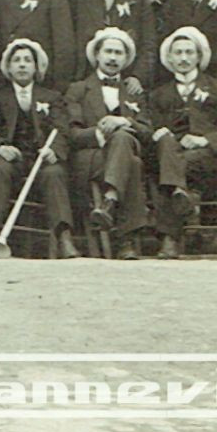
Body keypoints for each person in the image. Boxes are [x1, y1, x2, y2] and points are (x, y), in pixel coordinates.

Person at [0, 39, 77, 258]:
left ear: (36, 67)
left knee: (55, 173)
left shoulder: (52, 97)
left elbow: (62, 130)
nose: (22, 65)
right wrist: (0, 147)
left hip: (42, 160)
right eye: (16, 60)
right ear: (8, 68)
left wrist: (53, 151)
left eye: (28, 60)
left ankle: (64, 237)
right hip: (13, 160)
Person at [146, 26, 217, 259]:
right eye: (178, 53)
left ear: (199, 57)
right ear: (169, 58)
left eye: (189, 52)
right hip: (172, 154)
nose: (183, 58)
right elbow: (151, 130)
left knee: (163, 172)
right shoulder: (158, 95)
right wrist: (158, 134)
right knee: (165, 145)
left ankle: (170, 239)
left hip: (208, 160)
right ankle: (179, 191)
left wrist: (204, 140)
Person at [67, 27, 152, 260]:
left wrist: (124, 120)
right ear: (97, 55)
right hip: (92, 158)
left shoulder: (133, 92)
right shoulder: (78, 89)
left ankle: (110, 201)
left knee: (126, 143)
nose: (113, 58)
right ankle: (126, 242)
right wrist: (101, 132)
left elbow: (147, 132)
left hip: (120, 155)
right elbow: (71, 134)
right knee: (132, 163)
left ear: (126, 60)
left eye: (119, 53)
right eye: (108, 52)